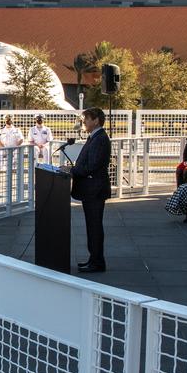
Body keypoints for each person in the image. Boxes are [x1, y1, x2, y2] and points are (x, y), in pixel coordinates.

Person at [62, 107, 110, 273]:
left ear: (96, 120)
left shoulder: (100, 139)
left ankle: (97, 262)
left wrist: (72, 171)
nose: (84, 122)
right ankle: (94, 259)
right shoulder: (94, 137)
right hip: (91, 189)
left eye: (86, 119)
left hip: (95, 190)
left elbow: (93, 165)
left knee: (94, 226)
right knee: (92, 226)